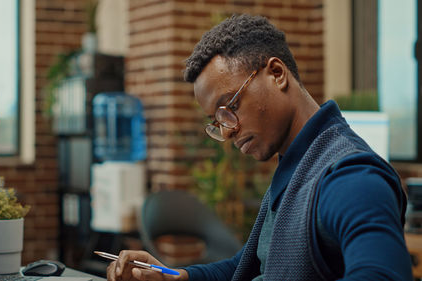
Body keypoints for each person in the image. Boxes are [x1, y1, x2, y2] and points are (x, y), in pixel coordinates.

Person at [106, 14, 413, 281]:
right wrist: (176, 276)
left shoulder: (350, 177)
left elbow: (384, 275)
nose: (227, 130)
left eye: (230, 106)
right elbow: (249, 267)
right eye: (217, 120)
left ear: (277, 74)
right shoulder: (296, 164)